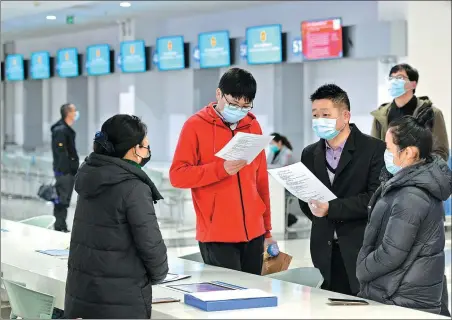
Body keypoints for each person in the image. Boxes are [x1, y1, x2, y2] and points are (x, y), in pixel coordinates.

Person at [170, 67, 273, 275]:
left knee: (253, 299)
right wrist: (220, 169)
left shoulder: (253, 126)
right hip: (217, 235)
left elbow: (260, 181)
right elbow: (177, 175)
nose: (240, 109)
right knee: (226, 299)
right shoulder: (194, 126)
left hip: (254, 234)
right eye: (234, 103)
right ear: (219, 94)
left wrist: (267, 230)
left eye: (246, 105)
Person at [64, 115, 168, 319]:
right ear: (133, 149)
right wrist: (159, 275)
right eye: (145, 146)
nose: (147, 152)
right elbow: (150, 245)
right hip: (121, 301)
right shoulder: (133, 188)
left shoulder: (90, 177)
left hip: (82, 295)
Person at [357, 105, 451, 315]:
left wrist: (362, 268)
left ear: (409, 152)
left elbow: (391, 253)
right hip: (403, 293)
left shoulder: (411, 195)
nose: (386, 154)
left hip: (404, 298)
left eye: (389, 149)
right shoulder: (408, 184)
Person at [298, 84, 385, 295]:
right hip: (324, 250)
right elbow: (304, 199)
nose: (319, 121)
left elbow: (374, 200)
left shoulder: (373, 149)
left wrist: (331, 209)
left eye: (325, 115)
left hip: (361, 248)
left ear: (345, 116)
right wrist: (319, 211)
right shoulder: (310, 154)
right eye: (315, 115)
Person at [371, 63, 449, 161]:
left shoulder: (432, 113)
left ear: (413, 84)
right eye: (391, 78)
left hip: (421, 173)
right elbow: (373, 152)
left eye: (400, 78)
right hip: (389, 174)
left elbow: (441, 152)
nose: (394, 81)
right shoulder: (381, 115)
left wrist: (420, 169)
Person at [50, 103, 79, 232]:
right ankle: (59, 226)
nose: (76, 113)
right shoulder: (60, 130)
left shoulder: (65, 129)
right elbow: (60, 152)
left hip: (67, 171)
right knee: (62, 199)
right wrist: (67, 169)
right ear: (69, 113)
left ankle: (61, 225)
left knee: (64, 199)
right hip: (64, 172)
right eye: (74, 111)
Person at [267, 133, 298, 228]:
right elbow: (267, 164)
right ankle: (281, 222)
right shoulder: (273, 152)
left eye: (272, 143)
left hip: (290, 186)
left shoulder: (287, 153)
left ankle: (287, 220)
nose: (271, 146)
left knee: (279, 204)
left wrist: (265, 166)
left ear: (279, 142)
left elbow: (281, 166)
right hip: (279, 184)